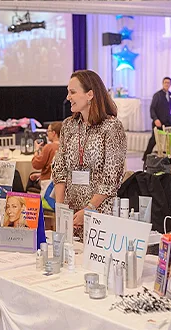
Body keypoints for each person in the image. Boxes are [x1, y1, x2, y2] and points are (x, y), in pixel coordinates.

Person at [52, 70, 126, 241]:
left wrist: (90, 208)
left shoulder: (112, 127)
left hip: (100, 214)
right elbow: (60, 169)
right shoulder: (68, 126)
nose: (68, 97)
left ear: (90, 94)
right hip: (70, 216)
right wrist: (60, 209)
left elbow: (112, 177)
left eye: (72, 92)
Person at [143, 77, 171, 162]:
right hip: (158, 121)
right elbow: (152, 108)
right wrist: (155, 119)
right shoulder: (157, 95)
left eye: (168, 83)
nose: (167, 84)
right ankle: (146, 156)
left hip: (167, 121)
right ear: (163, 83)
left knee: (167, 140)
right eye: (165, 82)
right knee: (154, 139)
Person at [28, 122, 62, 195]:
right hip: (61, 185)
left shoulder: (49, 147)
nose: (47, 133)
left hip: (48, 185)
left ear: (53, 133)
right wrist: (40, 174)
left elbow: (36, 164)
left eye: (48, 131)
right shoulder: (66, 146)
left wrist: (36, 150)